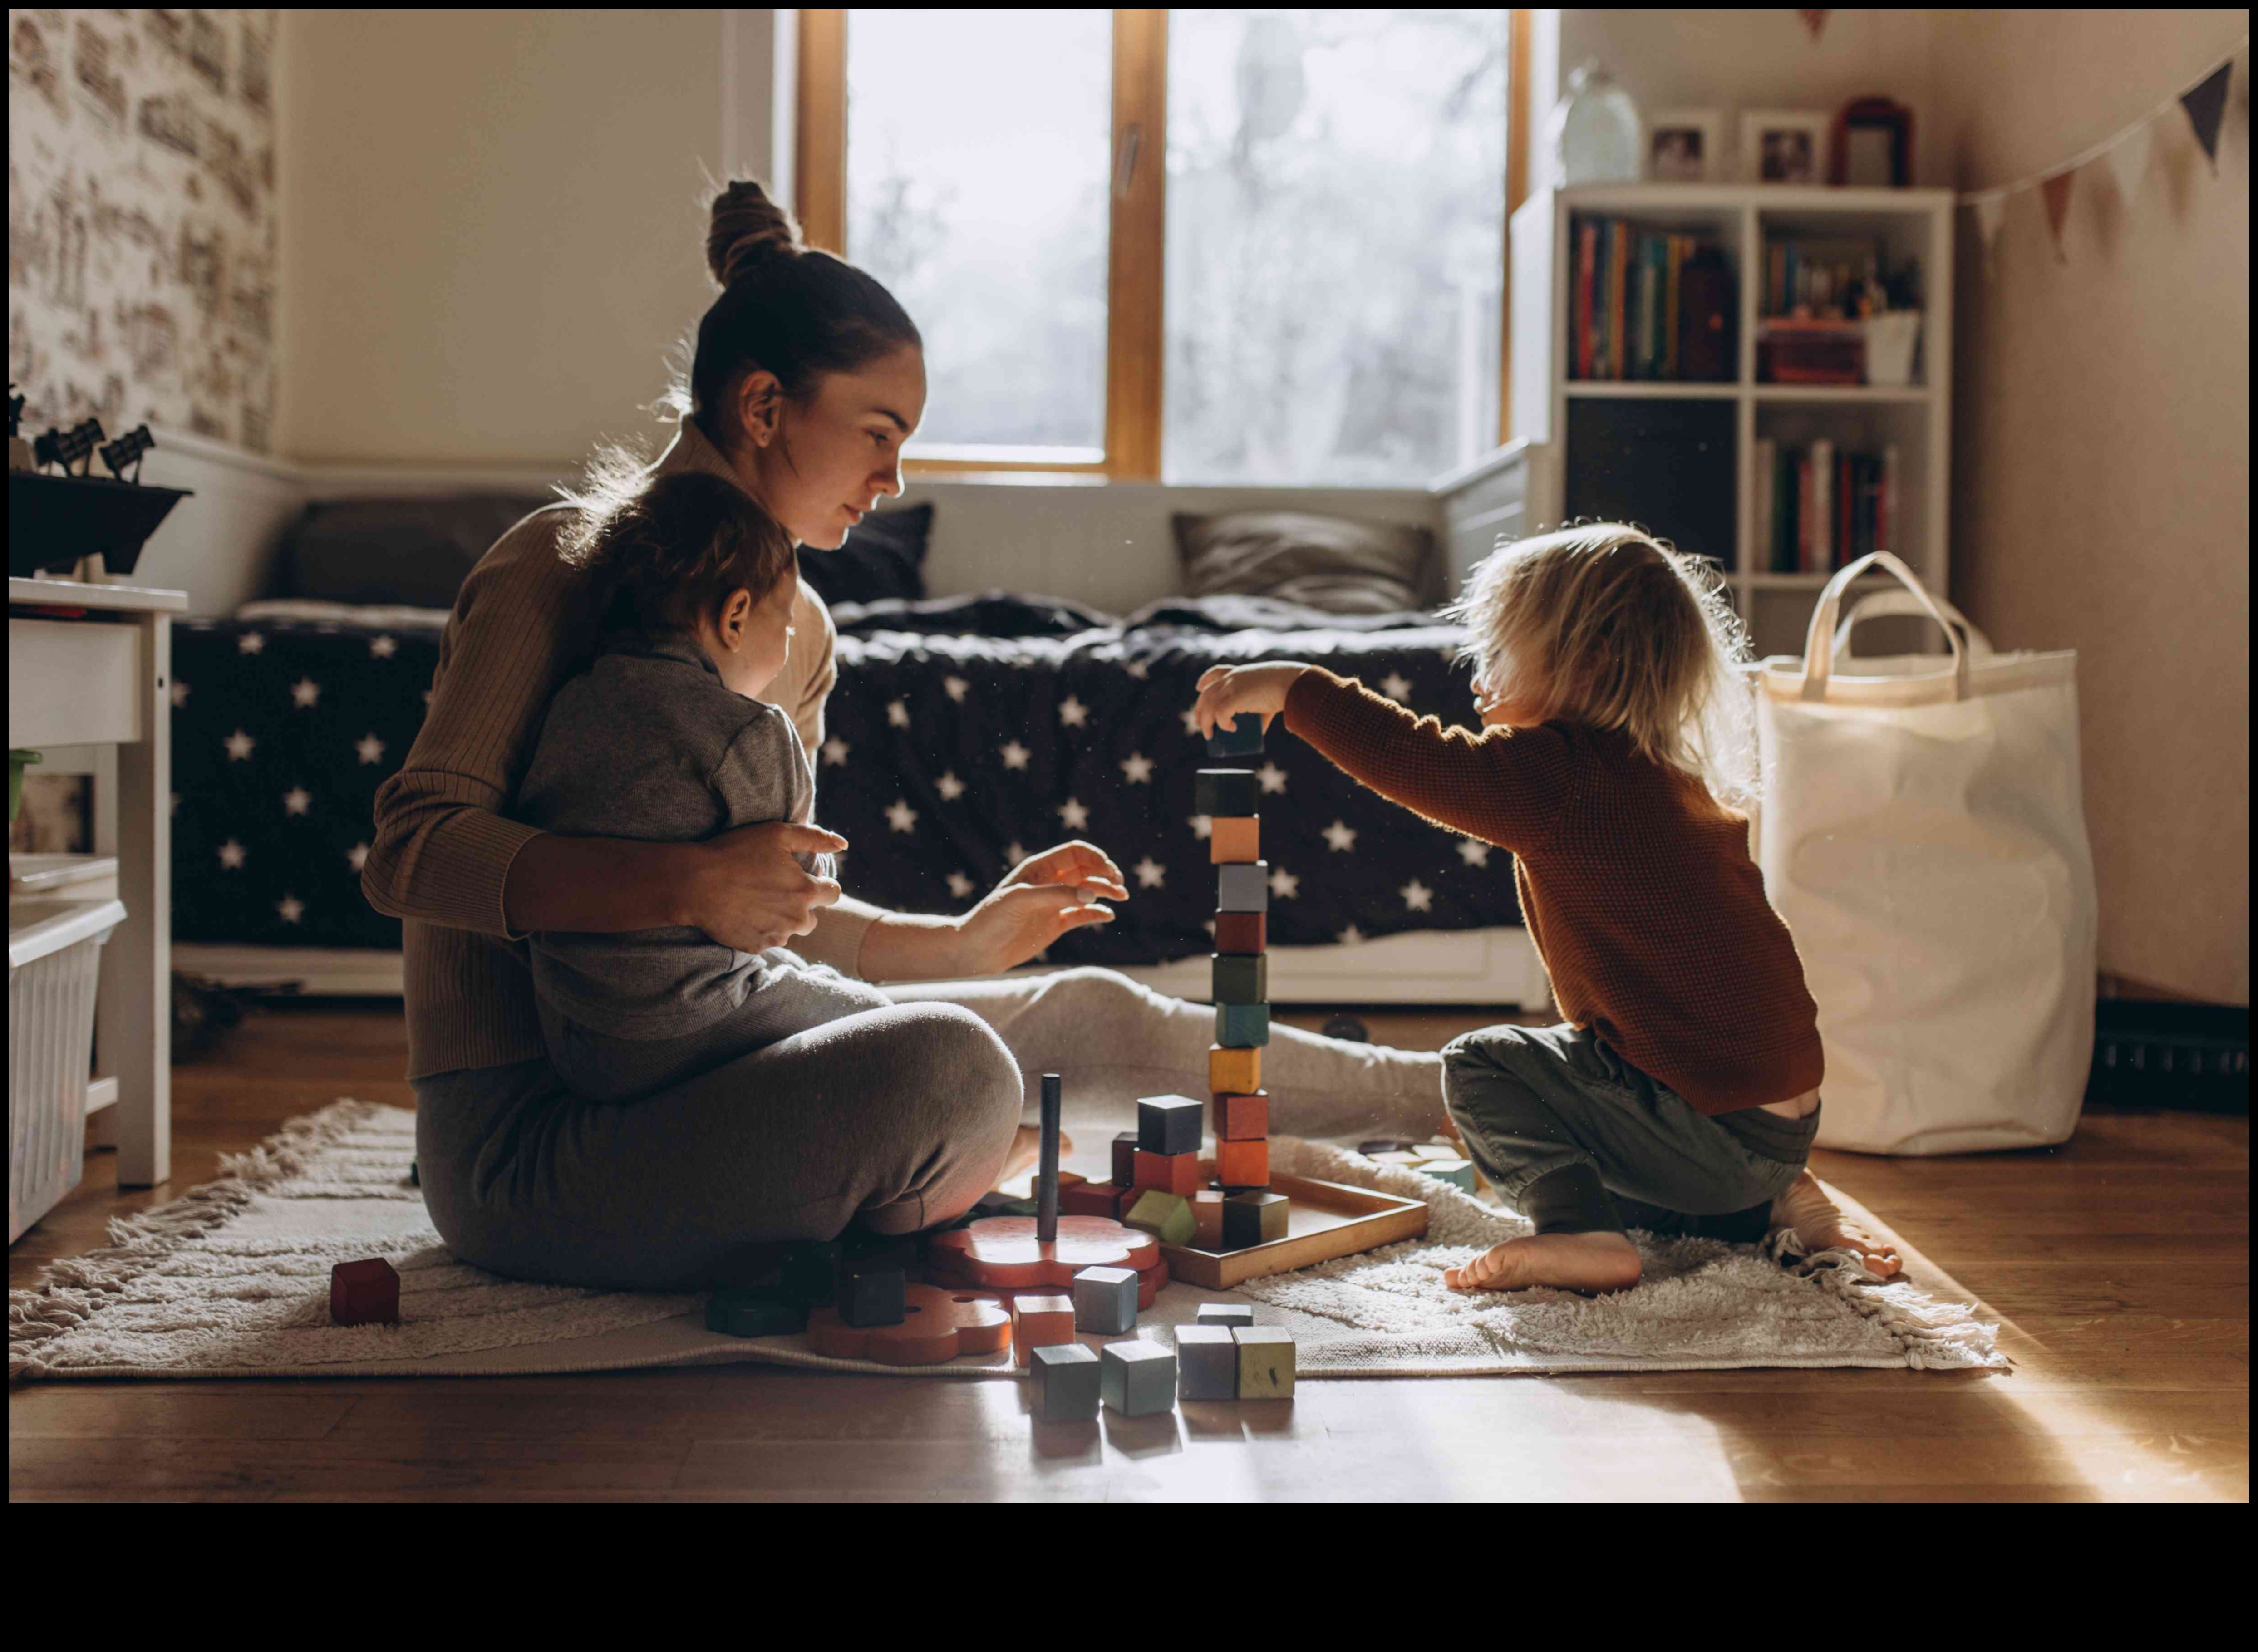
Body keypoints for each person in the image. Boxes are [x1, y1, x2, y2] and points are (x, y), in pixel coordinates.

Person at [364, 177, 1443, 1293]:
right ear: (765, 407)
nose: (892, 481)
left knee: (1083, 1008)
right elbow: (412, 850)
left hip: (716, 1060)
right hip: (534, 1142)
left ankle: (1457, 1096)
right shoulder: (555, 562)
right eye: (879, 435)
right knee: (948, 1073)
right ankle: (917, 1182)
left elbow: (773, 914)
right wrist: (681, 884)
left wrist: (963, 943)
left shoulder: (804, 629)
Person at [1190, 524, 1904, 1294]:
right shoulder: (1666, 776)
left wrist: (1297, 687)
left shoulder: (1563, 774)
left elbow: (1416, 757)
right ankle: (1767, 1201)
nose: (1477, 681)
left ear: (1584, 663)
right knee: (1579, 1106)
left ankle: (1583, 1234)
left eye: (1498, 656)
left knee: (1482, 1066)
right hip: (1779, 1122)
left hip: (1712, 1125)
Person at [516, 468, 897, 1104]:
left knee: (786, 976)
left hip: (578, 1034)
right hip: (693, 1018)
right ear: (736, 616)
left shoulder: (570, 702)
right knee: (882, 1021)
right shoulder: (748, 729)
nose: (787, 648)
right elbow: (801, 879)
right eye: (787, 629)